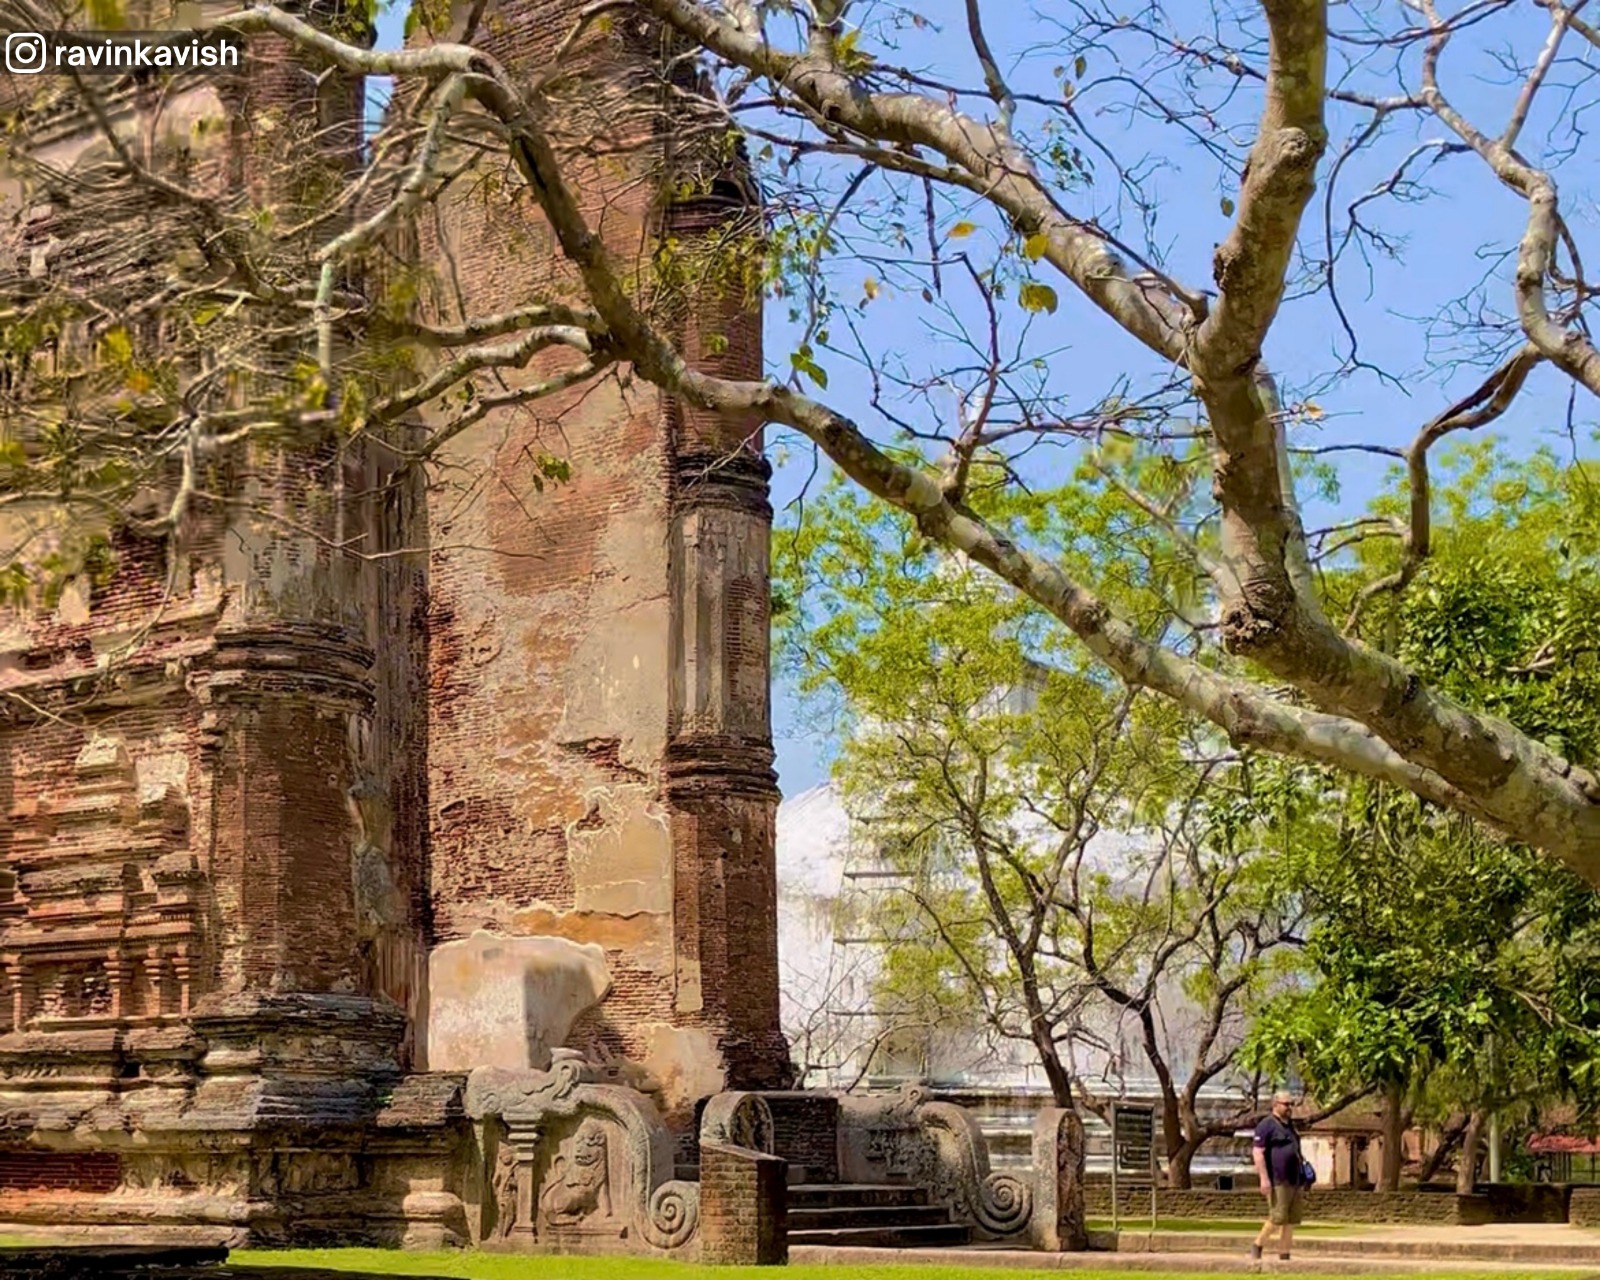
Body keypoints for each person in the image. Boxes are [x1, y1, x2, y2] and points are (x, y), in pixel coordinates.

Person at [1250, 1090, 1307, 1262]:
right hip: (1277, 1179)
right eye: (1286, 1104)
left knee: (1291, 1219)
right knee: (1278, 1217)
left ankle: (1284, 1253)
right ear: (1275, 1104)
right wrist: (1264, 1178)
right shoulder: (1266, 1125)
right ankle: (1258, 1243)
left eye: (1291, 1104)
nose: (1289, 1107)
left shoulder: (1290, 1126)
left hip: (1294, 1178)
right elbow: (1258, 1153)